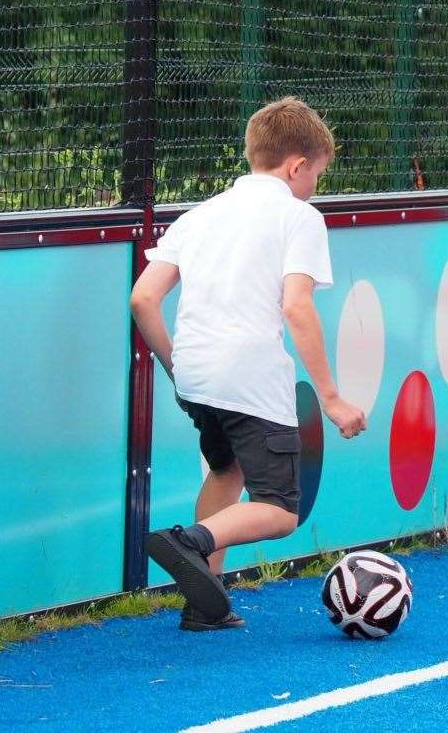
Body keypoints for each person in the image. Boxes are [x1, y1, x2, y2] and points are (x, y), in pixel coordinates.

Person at [129, 97, 366, 631]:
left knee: (225, 470)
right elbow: (297, 307)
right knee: (280, 509)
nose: (313, 189)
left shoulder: (200, 215)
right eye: (316, 177)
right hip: (250, 378)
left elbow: (144, 299)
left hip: (194, 375)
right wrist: (331, 398)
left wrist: (175, 366)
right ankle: (189, 541)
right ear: (296, 166)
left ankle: (205, 602)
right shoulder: (298, 217)